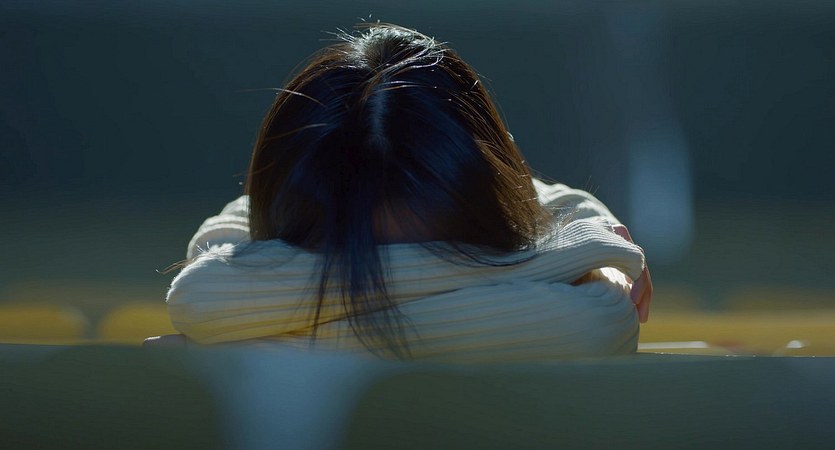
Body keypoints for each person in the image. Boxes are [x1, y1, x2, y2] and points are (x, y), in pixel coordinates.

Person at [154, 24, 652, 361]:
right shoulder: (580, 266)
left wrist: (245, 348)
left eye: (437, 251)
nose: (385, 279)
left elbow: (205, 301)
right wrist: (575, 253)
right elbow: (600, 319)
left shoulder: (242, 269)